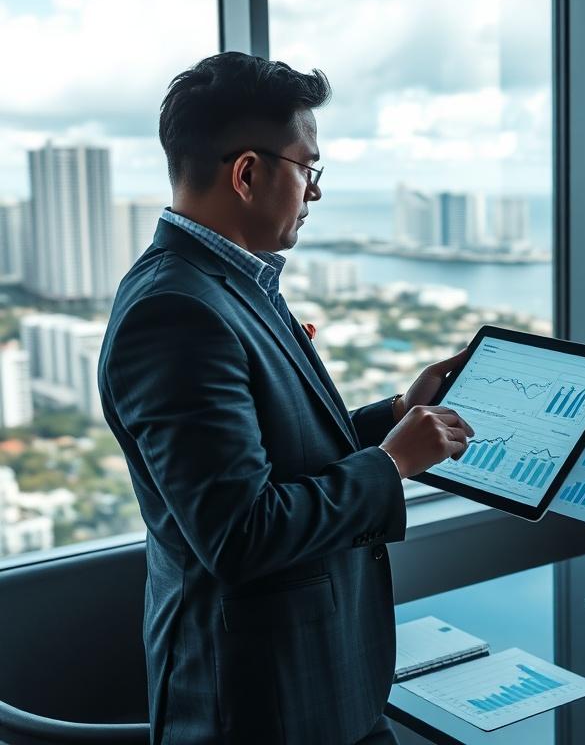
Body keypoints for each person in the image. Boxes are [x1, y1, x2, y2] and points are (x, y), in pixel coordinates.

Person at [98, 52, 474, 745]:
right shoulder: (177, 312)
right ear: (247, 173)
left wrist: (390, 418)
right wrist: (392, 465)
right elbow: (241, 532)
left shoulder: (231, 283)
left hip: (320, 684)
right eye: (309, 168)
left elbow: (279, 458)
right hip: (265, 709)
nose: (316, 192)